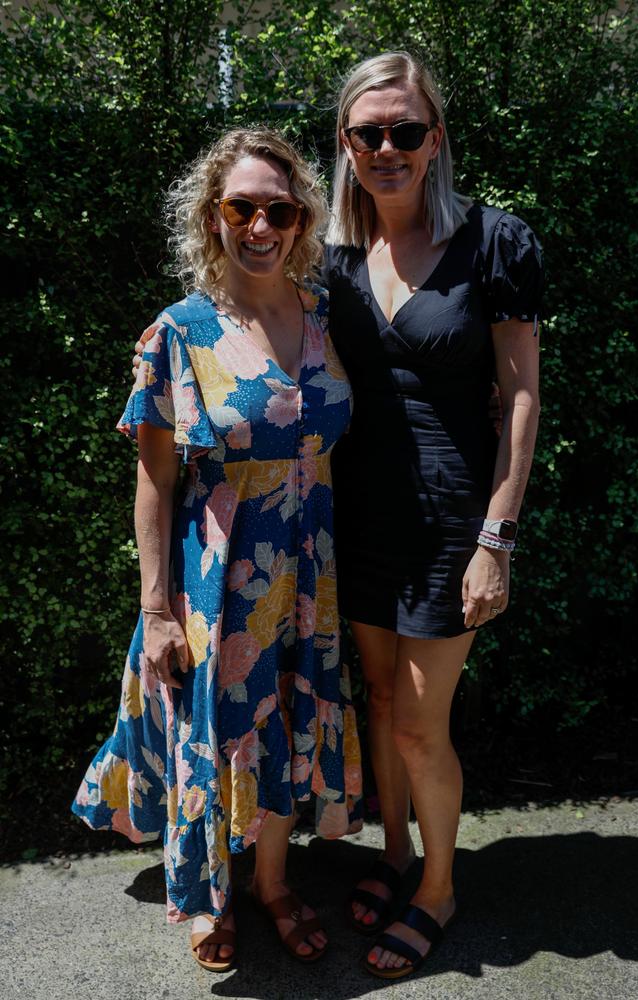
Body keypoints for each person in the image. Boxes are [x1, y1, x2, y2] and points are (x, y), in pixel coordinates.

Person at [72, 127, 362, 972]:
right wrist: (156, 609)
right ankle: (209, 896)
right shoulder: (178, 333)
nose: (262, 226)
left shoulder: (320, 316)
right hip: (223, 576)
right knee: (218, 732)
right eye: (242, 207)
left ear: (304, 218)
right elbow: (155, 483)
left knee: (287, 723)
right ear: (212, 216)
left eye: (280, 208)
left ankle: (273, 883)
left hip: (311, 566)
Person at [320, 50, 542, 979]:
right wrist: (176, 339)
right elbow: (256, 318)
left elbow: (522, 395)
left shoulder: (494, 240)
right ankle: (398, 857)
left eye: (405, 131)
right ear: (346, 143)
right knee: (376, 700)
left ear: (434, 139)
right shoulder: (326, 254)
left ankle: (441, 889)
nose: (387, 148)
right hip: (357, 509)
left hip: (456, 515)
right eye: (369, 132)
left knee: (418, 722)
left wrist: (497, 535)